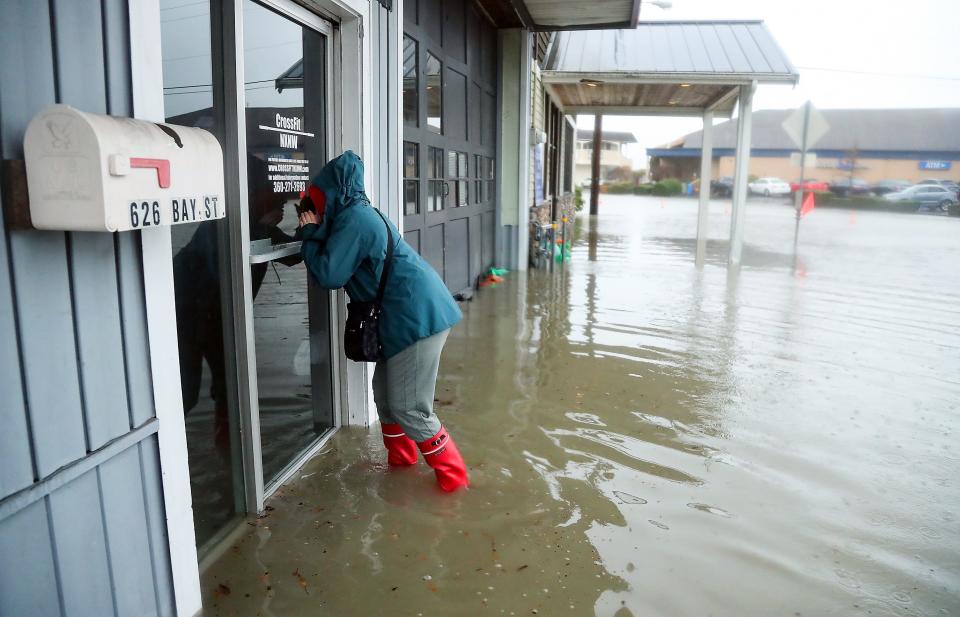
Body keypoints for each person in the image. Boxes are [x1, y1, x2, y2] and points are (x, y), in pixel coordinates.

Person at [297, 150, 468, 492]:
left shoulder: (356, 220)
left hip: (417, 318)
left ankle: (456, 485)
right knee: (386, 398)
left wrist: (310, 233)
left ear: (332, 192)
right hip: (408, 314)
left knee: (411, 408)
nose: (314, 206)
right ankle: (401, 467)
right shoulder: (354, 215)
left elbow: (329, 274)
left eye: (317, 198)